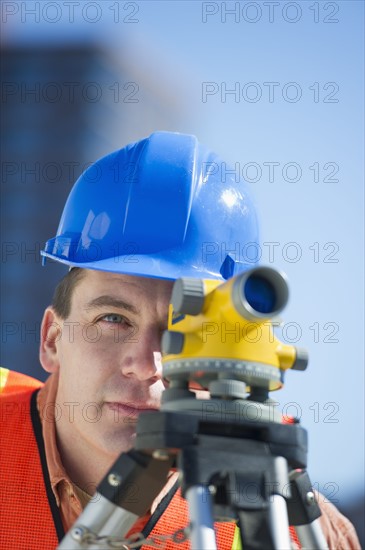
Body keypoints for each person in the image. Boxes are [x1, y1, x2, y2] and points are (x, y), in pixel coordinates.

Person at [0, 132, 360, 550]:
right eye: (113, 319)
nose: (148, 363)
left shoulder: (294, 526)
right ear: (51, 338)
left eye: (183, 331)